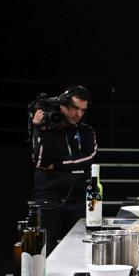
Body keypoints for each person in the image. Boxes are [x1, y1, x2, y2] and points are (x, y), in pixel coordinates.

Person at [29, 85, 97, 248]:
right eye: (75, 109)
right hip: (48, 199)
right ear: (63, 105)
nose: (78, 114)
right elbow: (41, 163)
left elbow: (88, 158)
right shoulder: (45, 130)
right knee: (43, 253)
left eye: (82, 110)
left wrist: (58, 166)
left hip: (78, 200)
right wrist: (40, 131)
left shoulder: (87, 131)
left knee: (78, 253)